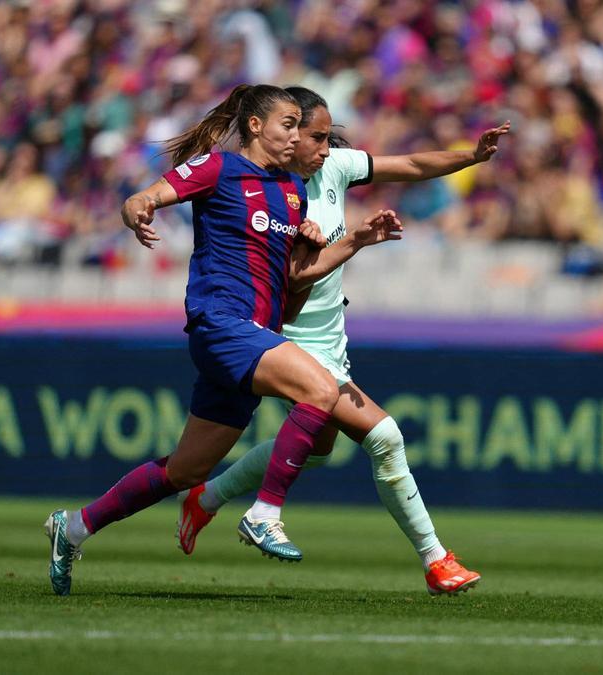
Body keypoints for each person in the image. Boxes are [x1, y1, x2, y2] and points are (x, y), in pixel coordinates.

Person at [43, 84, 399, 595]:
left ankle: (73, 526)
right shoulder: (219, 167)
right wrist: (138, 207)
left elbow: (296, 281)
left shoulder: (292, 192)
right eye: (288, 125)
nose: (296, 136)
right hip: (220, 324)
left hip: (254, 334)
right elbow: (147, 195)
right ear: (256, 126)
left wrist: (355, 242)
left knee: (187, 470)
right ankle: (265, 513)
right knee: (321, 390)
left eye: (300, 127)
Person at [175, 86, 510, 596]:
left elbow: (413, 163)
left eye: (328, 137)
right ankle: (436, 559)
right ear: (286, 132)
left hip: (331, 337)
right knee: (385, 436)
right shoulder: (270, 188)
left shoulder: (333, 167)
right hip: (286, 335)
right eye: (315, 136)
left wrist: (472, 156)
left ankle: (207, 497)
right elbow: (283, 285)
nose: (325, 148)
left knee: (317, 448)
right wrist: (342, 244)